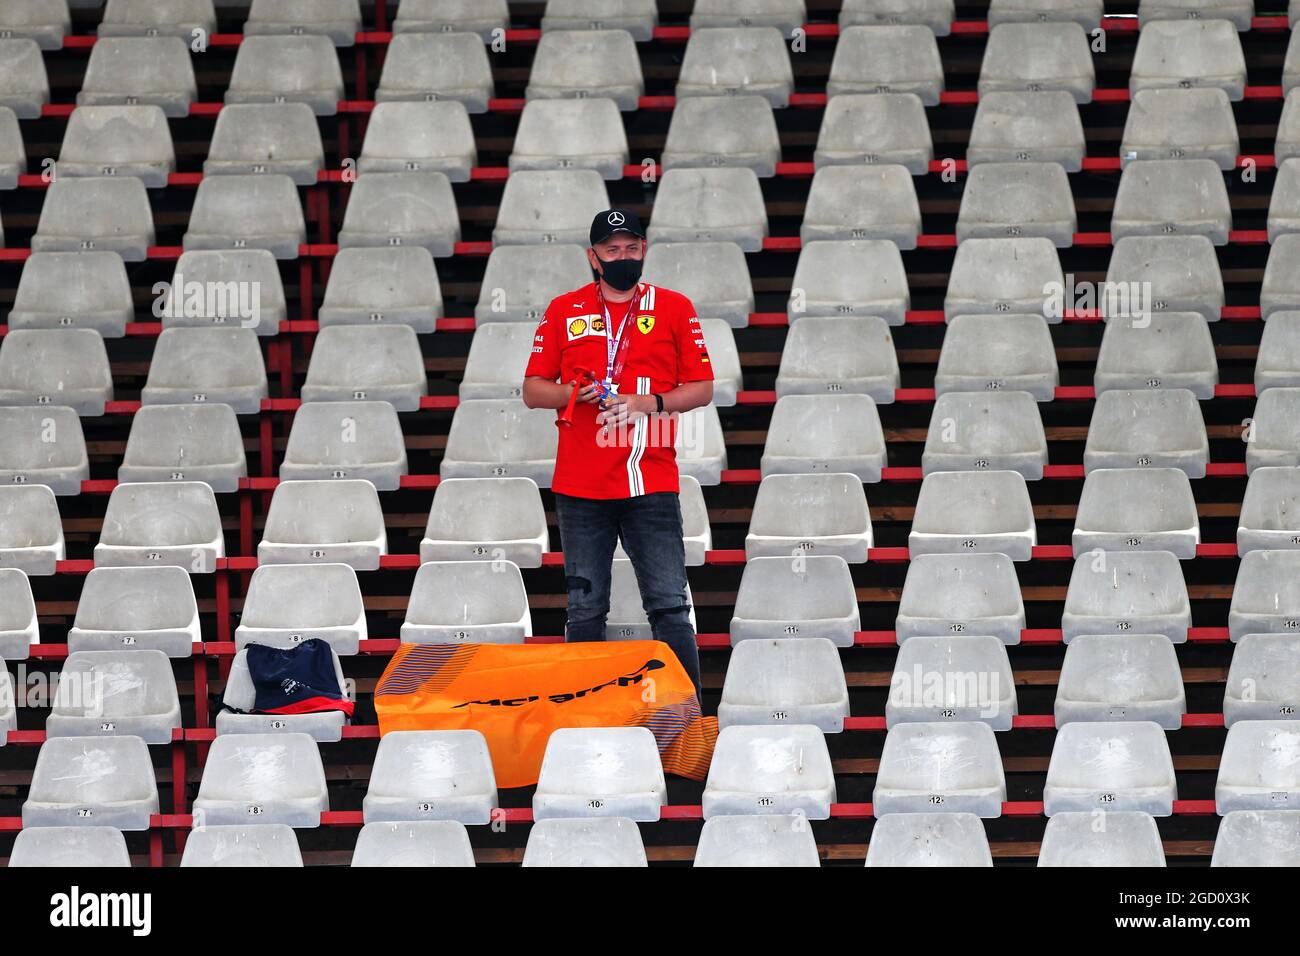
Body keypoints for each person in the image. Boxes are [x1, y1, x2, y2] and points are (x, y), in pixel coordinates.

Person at [522, 209, 714, 701]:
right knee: (585, 610)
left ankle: (687, 712)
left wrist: (648, 403)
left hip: (650, 478)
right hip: (581, 485)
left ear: (644, 250)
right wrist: (570, 393)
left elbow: (703, 388)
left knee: (670, 606)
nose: (623, 256)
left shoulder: (674, 307)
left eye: (632, 247)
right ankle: (584, 715)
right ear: (594, 257)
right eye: (612, 250)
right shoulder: (565, 309)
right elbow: (532, 390)